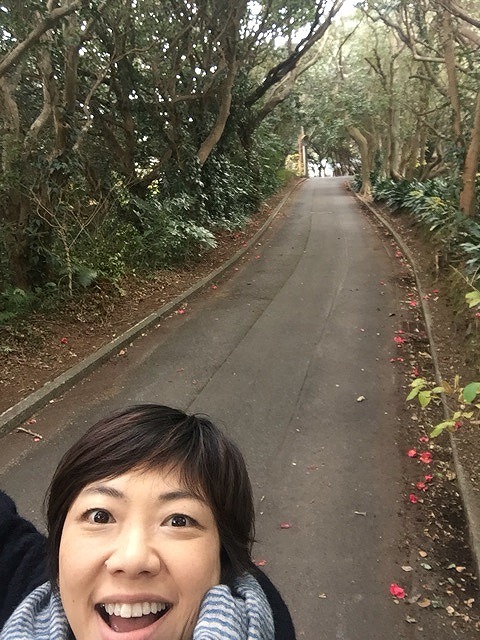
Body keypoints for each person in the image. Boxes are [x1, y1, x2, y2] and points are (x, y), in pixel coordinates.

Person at [0, 404, 296, 639]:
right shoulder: (22, 577)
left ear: (223, 561)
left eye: (179, 520)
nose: (132, 559)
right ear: (59, 542)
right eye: (100, 516)